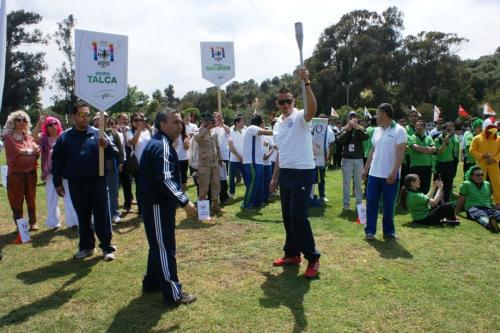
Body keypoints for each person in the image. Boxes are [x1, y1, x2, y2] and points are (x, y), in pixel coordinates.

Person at [139, 110, 198, 305]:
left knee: (157, 244)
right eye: (175, 122)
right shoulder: (161, 145)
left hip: (157, 203)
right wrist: (185, 201)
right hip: (157, 204)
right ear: (162, 124)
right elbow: (164, 179)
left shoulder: (160, 143)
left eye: (181, 122)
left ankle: (151, 282)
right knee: (164, 248)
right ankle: (173, 294)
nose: (180, 125)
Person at [269, 67, 321, 279]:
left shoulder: (300, 116)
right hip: (286, 173)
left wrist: (307, 82)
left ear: (293, 102)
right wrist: (274, 177)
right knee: (287, 217)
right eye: (281, 102)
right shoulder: (278, 125)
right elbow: (281, 152)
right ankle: (292, 255)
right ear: (277, 104)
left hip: (303, 172)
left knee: (298, 217)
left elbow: (312, 110)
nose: (286, 105)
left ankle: (313, 258)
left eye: (289, 101)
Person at [51, 102, 118, 261]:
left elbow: (114, 153)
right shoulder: (65, 137)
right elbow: (57, 162)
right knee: (83, 216)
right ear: (74, 116)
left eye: (87, 114)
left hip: (98, 182)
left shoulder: (98, 134)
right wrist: (57, 182)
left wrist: (107, 145)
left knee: (102, 215)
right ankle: (87, 246)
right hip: (76, 183)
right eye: (81, 114)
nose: (85, 117)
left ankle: (107, 247)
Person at [362, 103, 407, 240]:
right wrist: (366, 169)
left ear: (385, 114)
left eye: (378, 114)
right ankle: (370, 231)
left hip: (389, 175)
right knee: (371, 203)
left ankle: (389, 232)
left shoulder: (399, 130)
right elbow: (372, 151)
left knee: (388, 205)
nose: (376, 117)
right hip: (374, 174)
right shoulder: (376, 130)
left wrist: (394, 172)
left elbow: (400, 153)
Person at [33, 115, 78, 230]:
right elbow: (34, 137)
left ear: (58, 125)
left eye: (55, 124)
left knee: (69, 196)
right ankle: (54, 223)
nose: (53, 126)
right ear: (46, 127)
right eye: (49, 125)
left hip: (65, 171)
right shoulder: (43, 139)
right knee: (51, 197)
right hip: (50, 173)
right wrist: (38, 124)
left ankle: (73, 222)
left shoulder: (64, 137)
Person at [3, 110, 40, 231]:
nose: (21, 122)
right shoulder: (8, 137)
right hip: (16, 175)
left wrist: (31, 151)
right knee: (16, 200)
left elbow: (37, 150)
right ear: (12, 122)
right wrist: (30, 152)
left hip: (31, 173)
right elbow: (17, 150)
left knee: (31, 199)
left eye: (24, 120)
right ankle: (20, 225)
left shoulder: (28, 137)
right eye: (18, 119)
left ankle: (32, 222)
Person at [336, 111, 368, 210]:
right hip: (347, 160)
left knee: (358, 183)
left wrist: (357, 128)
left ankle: (358, 204)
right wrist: (349, 129)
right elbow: (340, 140)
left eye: (354, 117)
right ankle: (346, 205)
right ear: (347, 119)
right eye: (351, 117)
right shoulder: (343, 129)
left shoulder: (360, 128)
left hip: (358, 160)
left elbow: (366, 137)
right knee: (346, 184)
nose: (353, 119)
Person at [241, 113, 273, 209]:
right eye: (262, 120)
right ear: (260, 122)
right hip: (252, 162)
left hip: (258, 161)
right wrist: (282, 131)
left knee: (259, 183)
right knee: (253, 183)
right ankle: (246, 205)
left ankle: (256, 203)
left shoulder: (257, 131)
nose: (264, 122)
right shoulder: (252, 128)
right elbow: (266, 132)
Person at [455, 166, 499, 232]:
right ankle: (489, 225)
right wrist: (455, 213)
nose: (480, 177)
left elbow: (489, 198)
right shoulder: (466, 184)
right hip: (473, 208)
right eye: (478, 175)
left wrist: (494, 207)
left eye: (482, 175)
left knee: (497, 214)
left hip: (488, 208)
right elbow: (461, 199)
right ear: (471, 176)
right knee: (481, 215)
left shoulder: (487, 184)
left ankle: (492, 220)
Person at [194, 112, 222, 213]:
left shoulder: (214, 132)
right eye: (206, 120)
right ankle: (202, 209)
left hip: (214, 162)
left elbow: (217, 146)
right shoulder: (199, 130)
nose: (209, 122)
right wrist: (207, 129)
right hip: (204, 164)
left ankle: (215, 204)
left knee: (216, 183)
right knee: (203, 185)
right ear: (203, 121)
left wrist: (220, 158)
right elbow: (196, 138)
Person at [469, 117, 500, 208]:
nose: (492, 133)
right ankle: (479, 201)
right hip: (481, 164)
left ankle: (498, 202)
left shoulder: (498, 139)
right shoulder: (477, 138)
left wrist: (494, 159)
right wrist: (482, 156)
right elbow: (471, 150)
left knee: (497, 183)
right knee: (479, 182)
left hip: (494, 164)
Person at [127, 112, 152, 217]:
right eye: (135, 120)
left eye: (140, 120)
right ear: (132, 122)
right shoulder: (130, 132)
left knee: (148, 186)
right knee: (140, 187)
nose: (138, 122)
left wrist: (148, 130)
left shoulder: (147, 131)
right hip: (137, 164)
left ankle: (148, 206)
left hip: (148, 163)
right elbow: (133, 142)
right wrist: (139, 130)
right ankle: (141, 210)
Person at [407, 119, 436, 194]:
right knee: (415, 187)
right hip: (416, 166)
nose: (419, 127)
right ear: (415, 127)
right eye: (417, 125)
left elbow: (434, 149)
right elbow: (417, 149)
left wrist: (422, 149)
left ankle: (424, 203)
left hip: (427, 166)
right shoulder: (411, 138)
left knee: (426, 187)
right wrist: (427, 148)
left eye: (421, 125)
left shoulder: (429, 138)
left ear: (424, 127)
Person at [105, 116, 125, 223]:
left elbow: (120, 149)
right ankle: (101, 214)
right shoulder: (92, 132)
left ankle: (114, 213)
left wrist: (121, 162)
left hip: (111, 167)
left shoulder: (113, 133)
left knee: (113, 191)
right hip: (96, 170)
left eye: (105, 118)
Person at [434, 122, 459, 202]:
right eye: (447, 129)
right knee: (440, 185)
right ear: (443, 130)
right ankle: (437, 203)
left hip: (450, 164)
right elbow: (439, 152)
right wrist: (444, 142)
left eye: (450, 129)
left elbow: (454, 152)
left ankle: (446, 202)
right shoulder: (437, 139)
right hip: (440, 164)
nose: (449, 131)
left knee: (448, 185)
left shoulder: (453, 139)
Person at [213, 112, 231, 203]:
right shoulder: (211, 128)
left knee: (223, 177)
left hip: (223, 156)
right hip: (213, 156)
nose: (218, 120)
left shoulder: (224, 128)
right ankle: (214, 198)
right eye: (216, 118)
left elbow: (229, 131)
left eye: (219, 118)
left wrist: (222, 124)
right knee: (214, 178)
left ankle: (224, 197)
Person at [117, 113, 133, 213]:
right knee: (117, 183)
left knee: (127, 181)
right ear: (119, 120)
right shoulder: (114, 130)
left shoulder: (129, 130)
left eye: (127, 119)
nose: (125, 121)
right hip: (118, 159)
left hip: (128, 159)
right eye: (123, 119)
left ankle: (128, 203)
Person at [228, 114, 246, 198]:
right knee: (232, 177)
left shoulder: (244, 131)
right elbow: (231, 147)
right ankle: (231, 193)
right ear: (237, 123)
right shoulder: (231, 132)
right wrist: (239, 156)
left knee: (246, 176)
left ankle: (248, 190)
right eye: (242, 122)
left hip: (243, 159)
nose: (244, 123)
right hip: (234, 160)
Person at [173, 121, 190, 192]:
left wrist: (186, 143)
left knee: (183, 178)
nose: (179, 127)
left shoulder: (185, 135)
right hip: (175, 159)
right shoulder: (173, 135)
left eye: (181, 125)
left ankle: (183, 194)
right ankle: (176, 193)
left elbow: (187, 148)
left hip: (184, 159)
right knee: (175, 177)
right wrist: (175, 143)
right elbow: (171, 148)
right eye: (178, 125)